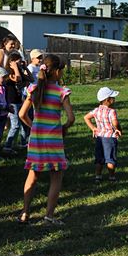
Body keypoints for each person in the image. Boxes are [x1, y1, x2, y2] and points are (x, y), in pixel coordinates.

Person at [18, 54, 74, 225]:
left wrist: (33, 126)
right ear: (56, 71)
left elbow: (21, 114)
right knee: (56, 177)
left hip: (36, 140)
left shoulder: (34, 89)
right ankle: (49, 216)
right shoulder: (61, 92)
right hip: (54, 141)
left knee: (33, 175)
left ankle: (25, 213)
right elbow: (71, 118)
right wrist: (64, 128)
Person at [84, 87, 122, 183]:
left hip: (99, 137)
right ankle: (112, 177)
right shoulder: (111, 111)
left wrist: (93, 128)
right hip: (110, 138)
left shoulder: (96, 110)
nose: (114, 99)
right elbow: (115, 123)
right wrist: (118, 129)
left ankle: (98, 176)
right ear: (108, 100)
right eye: (113, 98)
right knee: (110, 159)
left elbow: (86, 117)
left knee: (99, 158)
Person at [2, 51, 29, 152]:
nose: (20, 64)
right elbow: (18, 79)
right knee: (15, 125)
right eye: (18, 62)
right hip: (12, 102)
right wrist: (15, 67)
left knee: (23, 123)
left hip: (19, 101)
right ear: (11, 63)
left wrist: (25, 68)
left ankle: (23, 142)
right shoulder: (9, 74)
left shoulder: (19, 72)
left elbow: (30, 79)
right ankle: (7, 146)